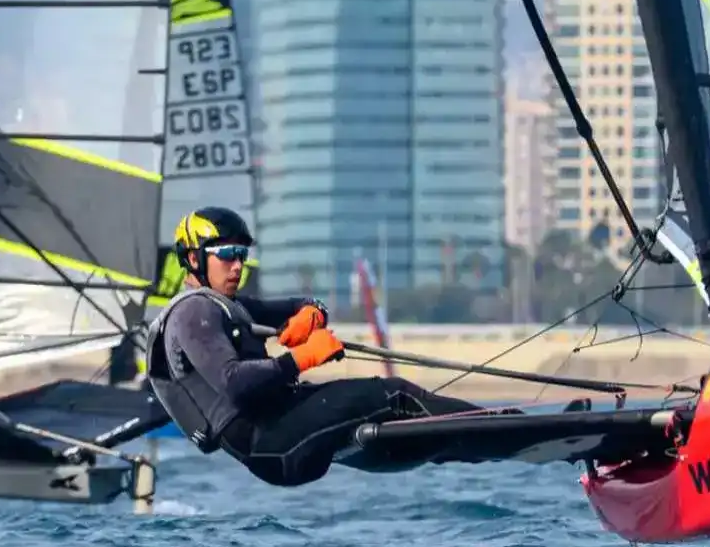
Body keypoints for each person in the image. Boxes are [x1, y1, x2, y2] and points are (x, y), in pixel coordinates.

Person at [149, 206, 488, 487]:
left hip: (281, 430)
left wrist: (313, 313)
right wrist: (301, 358)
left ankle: (477, 444)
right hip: (270, 444)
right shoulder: (193, 312)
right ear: (194, 258)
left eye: (242, 254)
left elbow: (302, 302)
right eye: (226, 255)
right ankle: (495, 428)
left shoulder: (227, 304)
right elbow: (234, 383)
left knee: (387, 416)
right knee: (394, 395)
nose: (238, 265)